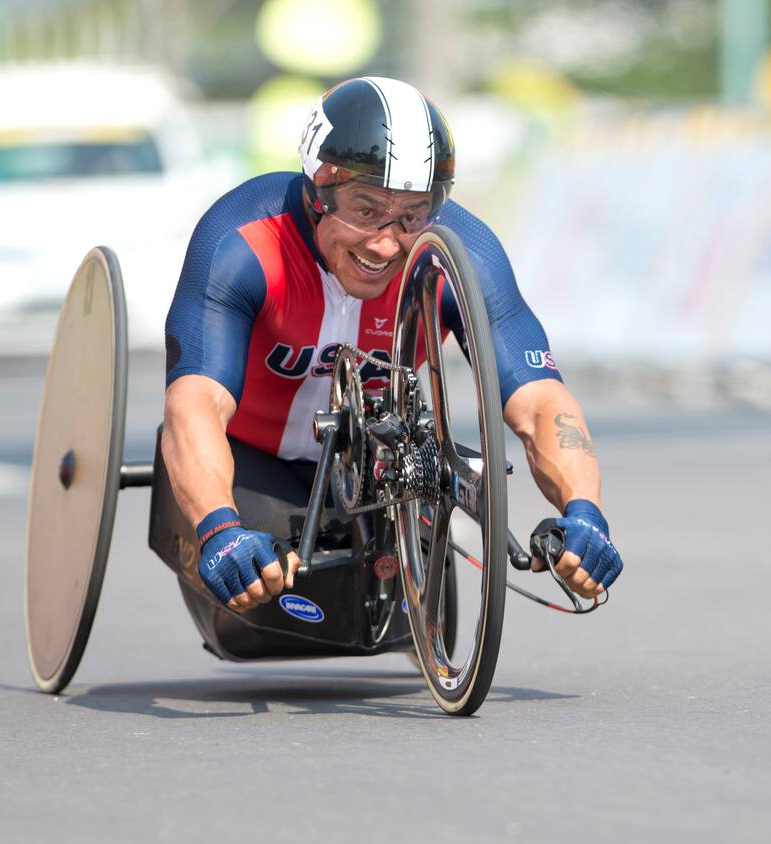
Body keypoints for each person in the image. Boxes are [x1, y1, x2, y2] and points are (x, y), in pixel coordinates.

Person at [160, 76, 623, 621]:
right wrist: (218, 525)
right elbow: (192, 405)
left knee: (390, 619)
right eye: (365, 210)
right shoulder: (243, 240)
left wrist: (585, 509)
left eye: (412, 215)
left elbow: (541, 400)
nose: (385, 242)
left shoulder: (460, 254)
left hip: (376, 464)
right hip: (248, 460)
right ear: (317, 190)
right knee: (260, 613)